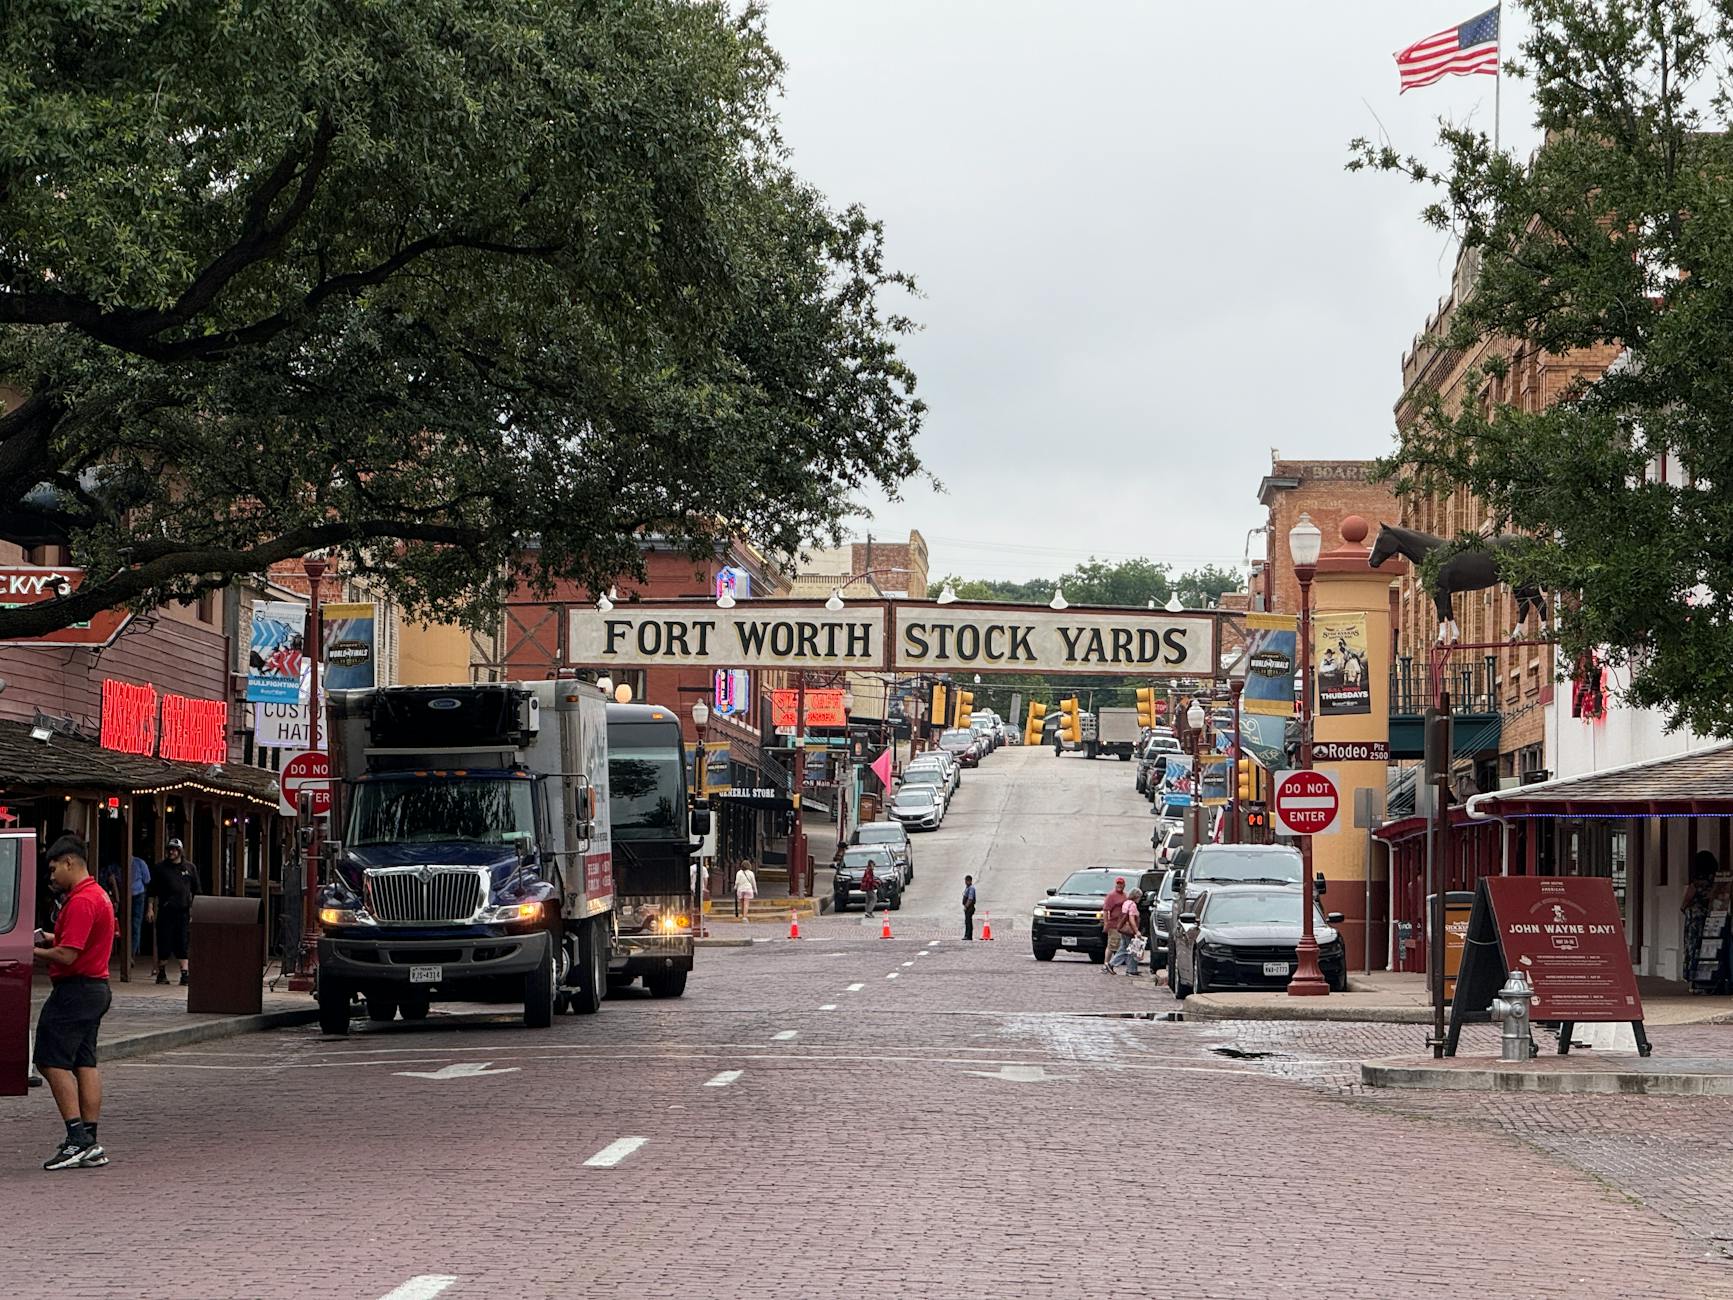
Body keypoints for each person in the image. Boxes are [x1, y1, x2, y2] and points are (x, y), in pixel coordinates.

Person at [31, 834, 115, 1170]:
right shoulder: (98, 895)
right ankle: (90, 1139)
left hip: (75, 990)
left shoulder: (80, 901)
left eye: (54, 868)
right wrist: (47, 937)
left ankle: (76, 1137)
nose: (51, 876)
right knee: (85, 1062)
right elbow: (76, 940)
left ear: (69, 863)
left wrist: (30, 951)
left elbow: (67, 954)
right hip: (96, 987)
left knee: (51, 1061)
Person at [149, 837, 200, 985]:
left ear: (180, 851)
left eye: (174, 849)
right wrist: (150, 908)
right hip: (166, 910)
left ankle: (185, 973)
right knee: (164, 940)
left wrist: (194, 910)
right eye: (169, 849)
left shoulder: (189, 868)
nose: (171, 852)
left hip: (183, 911)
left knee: (182, 941)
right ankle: (162, 972)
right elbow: (152, 890)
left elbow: (197, 890)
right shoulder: (160, 868)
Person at [102, 851, 151, 964]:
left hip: (137, 895)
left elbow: (147, 881)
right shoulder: (114, 866)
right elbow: (107, 879)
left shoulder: (139, 863)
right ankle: (122, 952)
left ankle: (131, 954)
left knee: (135, 924)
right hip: (121, 896)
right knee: (121, 925)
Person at [1106, 888, 1145, 977]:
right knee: (1131, 950)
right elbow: (1131, 919)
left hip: (1123, 930)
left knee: (1124, 947)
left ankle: (1129, 969)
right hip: (1129, 931)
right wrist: (1136, 931)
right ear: (1136, 896)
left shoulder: (1126, 903)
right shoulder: (1133, 905)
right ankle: (1128, 969)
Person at [1100, 876, 1128, 972]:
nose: (1119, 885)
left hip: (1122, 925)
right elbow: (1105, 911)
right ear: (1115, 884)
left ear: (1124, 885)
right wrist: (1106, 924)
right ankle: (1105, 965)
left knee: (1121, 946)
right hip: (1114, 925)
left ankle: (1111, 965)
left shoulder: (1125, 895)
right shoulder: (1111, 896)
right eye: (1118, 883)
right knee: (1112, 946)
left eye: (1121, 884)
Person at [962, 875, 977, 940]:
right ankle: (968, 935)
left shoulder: (971, 888)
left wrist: (966, 906)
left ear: (969, 881)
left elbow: (970, 899)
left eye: (966, 881)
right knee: (967, 921)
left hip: (970, 908)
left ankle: (968, 936)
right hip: (969, 908)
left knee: (968, 922)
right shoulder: (968, 887)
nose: (965, 882)